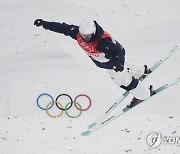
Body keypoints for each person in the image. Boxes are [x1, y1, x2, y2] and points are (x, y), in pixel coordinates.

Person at [34, 19, 151, 107]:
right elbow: (63, 28)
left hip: (112, 63)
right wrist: (44, 23)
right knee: (125, 68)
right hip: (106, 63)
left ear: (94, 31)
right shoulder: (78, 34)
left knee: (123, 81)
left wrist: (119, 63)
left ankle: (143, 95)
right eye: (84, 35)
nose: (86, 38)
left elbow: (118, 51)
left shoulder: (102, 42)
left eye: (89, 36)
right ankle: (141, 71)